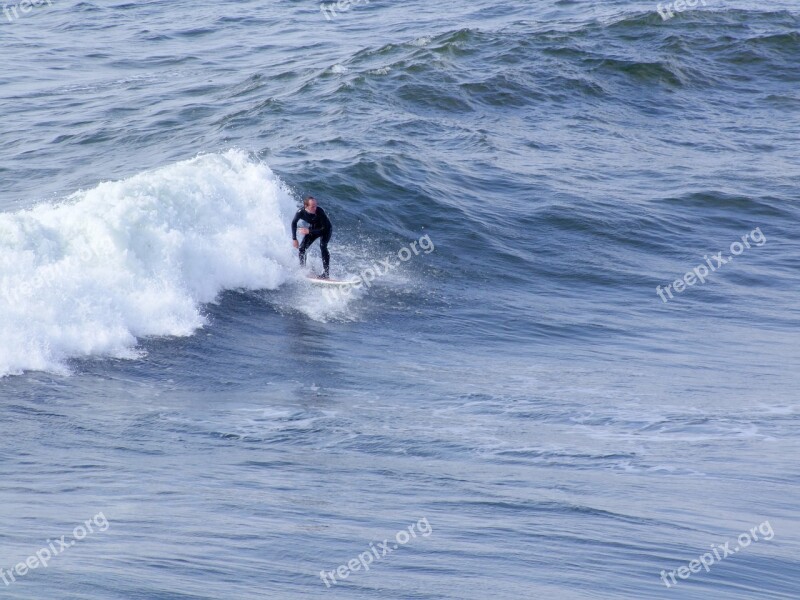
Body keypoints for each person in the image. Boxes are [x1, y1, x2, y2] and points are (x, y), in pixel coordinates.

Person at [292, 196, 333, 279]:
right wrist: (294, 239)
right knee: (302, 248)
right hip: (314, 228)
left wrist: (309, 231)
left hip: (326, 229)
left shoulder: (320, 211)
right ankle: (303, 270)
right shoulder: (301, 212)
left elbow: (324, 229)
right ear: (306, 206)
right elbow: (293, 223)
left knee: (323, 246)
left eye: (316, 205)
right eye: (313, 206)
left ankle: (326, 274)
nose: (315, 208)